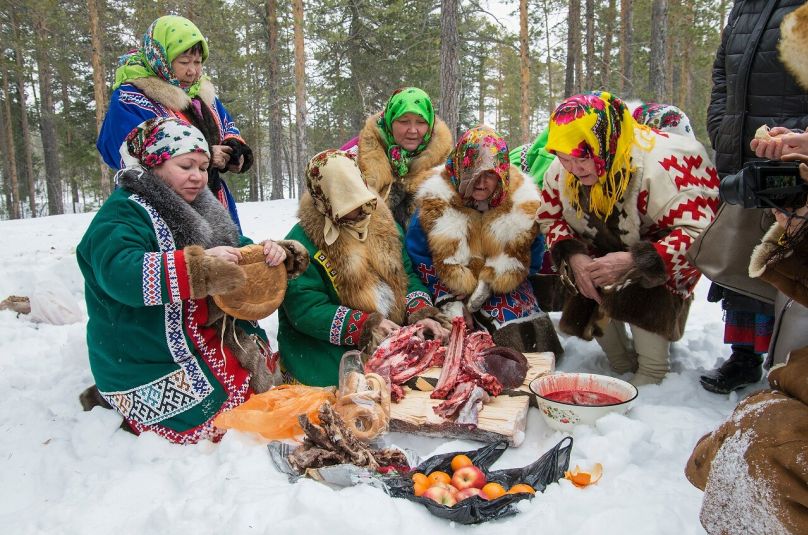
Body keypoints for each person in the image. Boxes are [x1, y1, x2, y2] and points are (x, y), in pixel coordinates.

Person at [78, 117, 304, 444]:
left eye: (203, 167)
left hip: (195, 335)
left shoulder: (196, 206)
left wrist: (272, 253)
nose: (198, 177)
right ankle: (122, 403)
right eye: (186, 166)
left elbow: (235, 249)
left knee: (263, 391)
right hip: (143, 351)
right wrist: (201, 269)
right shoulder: (122, 214)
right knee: (227, 421)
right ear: (154, 165)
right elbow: (120, 273)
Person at [536, 91, 719, 386]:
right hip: (601, 249)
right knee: (588, 283)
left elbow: (700, 234)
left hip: (659, 257)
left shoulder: (662, 166)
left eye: (582, 158)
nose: (573, 168)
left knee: (645, 292)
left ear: (604, 144)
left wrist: (636, 260)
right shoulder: (561, 173)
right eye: (563, 157)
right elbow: (550, 218)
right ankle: (620, 362)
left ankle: (652, 371)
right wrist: (574, 256)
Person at [699, 0, 808, 395]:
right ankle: (743, 354)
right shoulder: (745, 7)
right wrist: (721, 127)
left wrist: (799, 135)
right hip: (743, 151)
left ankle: (791, 369)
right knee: (745, 255)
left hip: (793, 153)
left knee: (791, 260)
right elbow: (722, 76)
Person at [277, 149, 450, 387]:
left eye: (359, 199)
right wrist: (363, 325)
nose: (358, 210)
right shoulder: (301, 245)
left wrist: (420, 312)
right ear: (323, 199)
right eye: (346, 203)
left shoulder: (383, 224)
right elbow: (306, 310)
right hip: (325, 348)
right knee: (350, 393)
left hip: (389, 334)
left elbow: (407, 276)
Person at [406, 126, 561, 354]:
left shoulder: (522, 206)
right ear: (458, 167)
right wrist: (448, 296)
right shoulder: (435, 204)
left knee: (517, 332)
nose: (480, 182)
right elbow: (419, 258)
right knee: (451, 336)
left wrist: (492, 281)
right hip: (446, 285)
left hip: (501, 288)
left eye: (489, 174)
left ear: (502, 172)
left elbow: (532, 259)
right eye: (471, 171)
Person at [97, 15, 252, 231]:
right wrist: (205, 154)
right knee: (185, 262)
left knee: (227, 257)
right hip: (158, 204)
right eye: (184, 62)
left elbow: (226, 126)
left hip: (212, 198)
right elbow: (128, 150)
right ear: (161, 58)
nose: (192, 71)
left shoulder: (201, 94)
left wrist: (234, 150)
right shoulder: (131, 98)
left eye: (198, 62)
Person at [355, 87, 453, 230]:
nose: (413, 130)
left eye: (420, 122)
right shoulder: (360, 157)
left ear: (430, 124)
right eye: (404, 121)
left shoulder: (447, 165)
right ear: (390, 121)